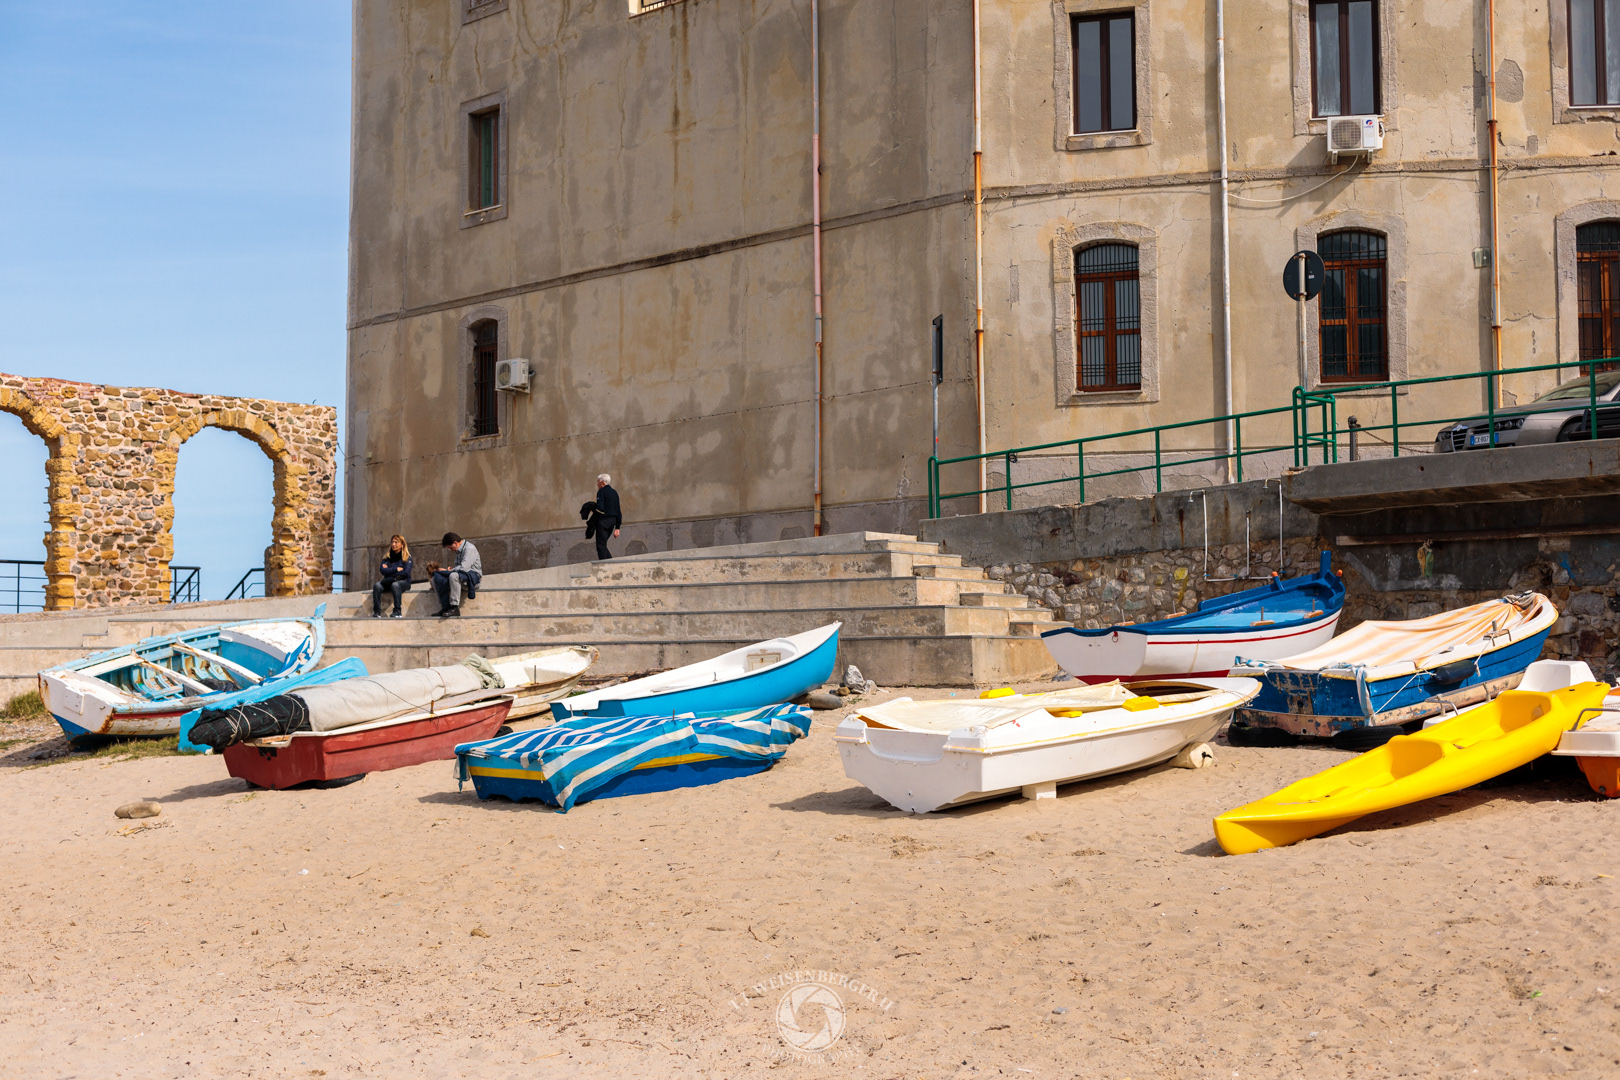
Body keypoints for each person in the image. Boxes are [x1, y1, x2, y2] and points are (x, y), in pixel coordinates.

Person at [431, 532, 482, 617]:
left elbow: (464, 568)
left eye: (450, 547)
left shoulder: (470, 548)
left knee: (453, 575)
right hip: (462, 578)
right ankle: (445, 607)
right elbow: (458, 569)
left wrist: (449, 571)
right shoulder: (458, 551)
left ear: (455, 543)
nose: (451, 550)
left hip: (473, 580)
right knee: (436, 577)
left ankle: (455, 608)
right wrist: (449, 570)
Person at [371, 534, 413, 618]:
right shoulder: (387, 557)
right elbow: (382, 571)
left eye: (396, 542)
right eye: (392, 542)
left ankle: (397, 611)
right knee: (377, 586)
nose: (393, 544)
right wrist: (396, 569)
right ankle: (377, 612)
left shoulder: (407, 557)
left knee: (395, 585)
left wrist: (389, 571)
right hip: (389, 581)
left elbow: (405, 573)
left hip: (403, 582)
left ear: (402, 545)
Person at [593, 473, 622, 560]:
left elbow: (600, 509)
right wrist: (617, 527)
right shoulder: (614, 492)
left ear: (602, 482)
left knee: (600, 545)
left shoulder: (601, 491)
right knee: (603, 545)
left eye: (598, 482)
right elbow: (618, 510)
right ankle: (611, 562)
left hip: (603, 522)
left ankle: (605, 566)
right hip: (612, 522)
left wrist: (593, 510)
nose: (597, 484)